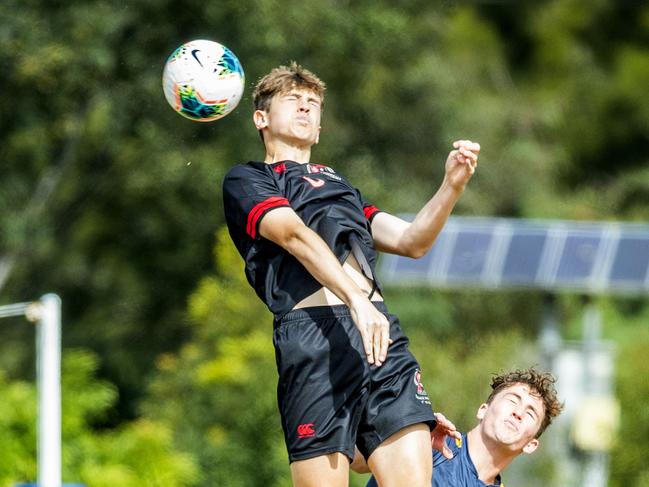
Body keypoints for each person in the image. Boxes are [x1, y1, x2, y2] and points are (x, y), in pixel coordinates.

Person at [222, 62, 480, 487]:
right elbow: (292, 235)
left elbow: (413, 241)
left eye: (314, 103)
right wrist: (355, 300)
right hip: (314, 338)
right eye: (293, 99)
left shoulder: (342, 186)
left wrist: (451, 185)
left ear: (321, 127)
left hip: (380, 338)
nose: (306, 108)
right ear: (261, 118)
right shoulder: (248, 178)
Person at [357, 368, 564, 486]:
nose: (518, 412)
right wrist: (401, 438)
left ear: (531, 445)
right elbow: (354, 459)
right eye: (512, 400)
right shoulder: (430, 441)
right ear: (483, 410)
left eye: (530, 413)